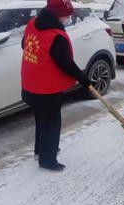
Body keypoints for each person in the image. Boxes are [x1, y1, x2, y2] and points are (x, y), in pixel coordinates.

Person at [21, 0, 92, 172]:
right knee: (52, 123)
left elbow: (24, 45)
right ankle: (48, 160)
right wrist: (86, 81)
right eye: (67, 14)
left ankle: (40, 150)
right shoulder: (56, 36)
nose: (68, 17)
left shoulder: (33, 24)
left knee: (41, 118)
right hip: (46, 89)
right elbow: (66, 64)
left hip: (29, 85)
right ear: (57, 15)